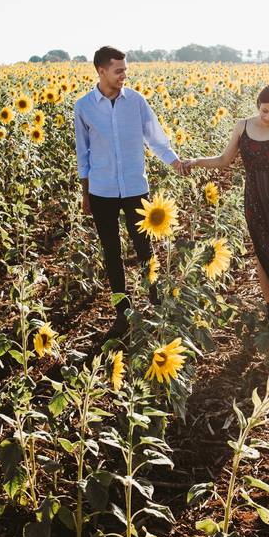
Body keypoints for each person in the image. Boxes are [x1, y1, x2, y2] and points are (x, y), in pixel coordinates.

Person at [74, 45, 187, 339]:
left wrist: (175, 162)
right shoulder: (84, 106)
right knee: (112, 253)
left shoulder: (136, 101)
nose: (125, 74)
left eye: (125, 69)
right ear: (101, 71)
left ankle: (156, 301)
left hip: (135, 187)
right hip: (102, 190)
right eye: (119, 70)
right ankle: (122, 315)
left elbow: (155, 138)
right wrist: (86, 193)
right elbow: (82, 154)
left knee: (145, 248)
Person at [183, 84, 269, 323]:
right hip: (253, 199)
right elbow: (224, 160)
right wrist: (196, 161)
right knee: (263, 252)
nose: (268, 117)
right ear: (258, 105)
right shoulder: (242, 126)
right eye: (265, 111)